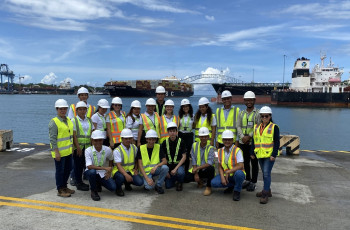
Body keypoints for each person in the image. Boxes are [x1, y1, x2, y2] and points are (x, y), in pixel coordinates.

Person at [250, 106, 280, 204]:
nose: (264, 118)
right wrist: (252, 152)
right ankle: (268, 190)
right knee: (264, 173)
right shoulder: (256, 127)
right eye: (262, 116)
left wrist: (274, 155)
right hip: (260, 155)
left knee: (266, 173)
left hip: (269, 155)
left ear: (270, 116)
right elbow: (254, 140)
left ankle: (265, 193)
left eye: (266, 116)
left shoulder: (274, 127)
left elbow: (277, 142)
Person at [49, 99, 75, 197]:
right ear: (57, 109)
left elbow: (70, 135)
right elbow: (53, 139)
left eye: (65, 109)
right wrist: (56, 152)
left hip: (68, 151)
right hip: (59, 152)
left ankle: (64, 186)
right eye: (61, 109)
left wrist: (72, 147)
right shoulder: (54, 122)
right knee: (60, 171)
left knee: (68, 169)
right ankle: (60, 189)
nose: (63, 110)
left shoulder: (68, 120)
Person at [211, 130, 245, 201]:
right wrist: (222, 177)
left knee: (239, 174)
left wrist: (228, 172)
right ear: (222, 140)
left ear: (232, 140)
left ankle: (237, 191)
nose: (227, 141)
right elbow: (220, 165)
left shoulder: (237, 150)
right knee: (214, 183)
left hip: (236, 174)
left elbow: (241, 165)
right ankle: (233, 185)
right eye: (225, 140)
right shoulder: (220, 151)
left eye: (229, 140)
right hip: (226, 176)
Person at [237, 91, 260, 192]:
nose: (249, 102)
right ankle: (247, 179)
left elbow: (258, 127)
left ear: (254, 100)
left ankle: (253, 182)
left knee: (254, 163)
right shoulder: (241, 113)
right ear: (244, 101)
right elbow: (238, 126)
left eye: (251, 100)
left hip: (253, 143)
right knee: (245, 162)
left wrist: (249, 137)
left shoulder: (258, 114)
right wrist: (242, 137)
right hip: (243, 143)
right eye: (247, 100)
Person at [84, 130, 116, 201]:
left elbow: (111, 159)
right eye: (96, 140)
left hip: (102, 173)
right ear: (92, 141)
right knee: (92, 172)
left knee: (113, 187)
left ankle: (98, 182)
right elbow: (89, 166)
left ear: (103, 140)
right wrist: (105, 168)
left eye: (100, 140)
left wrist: (109, 171)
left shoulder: (107, 149)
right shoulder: (88, 150)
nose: (98, 142)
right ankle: (94, 191)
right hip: (90, 172)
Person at [112, 129, 144, 196]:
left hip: (131, 170)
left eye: (130, 138)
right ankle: (118, 188)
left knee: (140, 182)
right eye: (126, 138)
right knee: (121, 177)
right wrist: (126, 175)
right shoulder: (117, 150)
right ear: (122, 139)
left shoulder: (134, 147)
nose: (128, 140)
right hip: (119, 171)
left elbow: (136, 160)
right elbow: (118, 165)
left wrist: (136, 169)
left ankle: (127, 184)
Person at [185, 127, 215, 196]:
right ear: (199, 137)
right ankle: (200, 181)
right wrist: (196, 173)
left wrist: (197, 169)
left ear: (208, 137)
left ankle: (208, 187)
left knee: (211, 169)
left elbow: (209, 163)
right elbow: (194, 160)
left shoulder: (210, 148)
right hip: (197, 170)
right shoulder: (194, 145)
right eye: (202, 137)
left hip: (206, 170)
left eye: (205, 137)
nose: (203, 138)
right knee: (185, 178)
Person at [137, 130, 169, 194]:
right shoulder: (141, 148)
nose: (151, 141)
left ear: (155, 140)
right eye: (149, 139)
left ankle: (158, 185)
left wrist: (156, 166)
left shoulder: (158, 147)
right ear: (146, 139)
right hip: (145, 172)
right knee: (149, 187)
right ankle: (150, 181)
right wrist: (147, 178)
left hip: (154, 170)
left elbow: (165, 161)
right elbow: (140, 165)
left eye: (153, 139)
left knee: (165, 168)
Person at [71, 101, 93, 191]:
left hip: (87, 147)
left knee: (86, 164)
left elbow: (91, 133)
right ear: (77, 110)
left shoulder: (89, 120)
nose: (82, 111)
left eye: (84, 109)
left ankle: (82, 181)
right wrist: (78, 147)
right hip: (78, 147)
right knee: (78, 166)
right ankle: (78, 183)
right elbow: (74, 135)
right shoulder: (74, 120)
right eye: (80, 109)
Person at [162, 122, 186, 191]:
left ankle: (179, 182)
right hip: (169, 165)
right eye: (170, 131)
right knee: (168, 186)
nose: (172, 133)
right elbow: (162, 158)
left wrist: (175, 169)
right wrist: (166, 172)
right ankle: (174, 177)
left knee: (181, 172)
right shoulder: (164, 143)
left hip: (178, 165)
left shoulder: (181, 142)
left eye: (174, 131)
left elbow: (184, 157)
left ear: (176, 132)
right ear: (168, 132)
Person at [178, 99, 194, 172]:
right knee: (180, 153)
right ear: (181, 108)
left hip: (189, 136)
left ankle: (186, 170)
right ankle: (180, 169)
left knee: (187, 155)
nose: (185, 108)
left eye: (187, 106)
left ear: (189, 107)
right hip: (181, 136)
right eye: (183, 106)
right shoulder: (179, 117)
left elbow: (194, 126)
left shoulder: (193, 116)